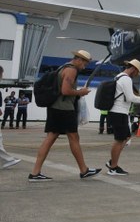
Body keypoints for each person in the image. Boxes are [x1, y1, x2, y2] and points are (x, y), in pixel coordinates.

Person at [28, 50, 101, 182]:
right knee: (72, 137)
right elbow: (65, 90)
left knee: (53, 138)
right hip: (64, 109)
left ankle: (35, 172)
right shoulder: (71, 70)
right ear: (79, 59)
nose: (85, 66)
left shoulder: (63, 67)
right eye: (85, 63)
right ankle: (83, 170)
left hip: (56, 107)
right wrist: (80, 92)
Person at [105, 59, 140, 176]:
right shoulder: (126, 79)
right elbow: (130, 98)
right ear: (133, 69)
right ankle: (113, 167)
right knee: (119, 140)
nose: (136, 75)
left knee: (126, 137)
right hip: (119, 112)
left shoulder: (118, 77)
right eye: (136, 72)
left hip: (117, 112)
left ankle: (112, 161)